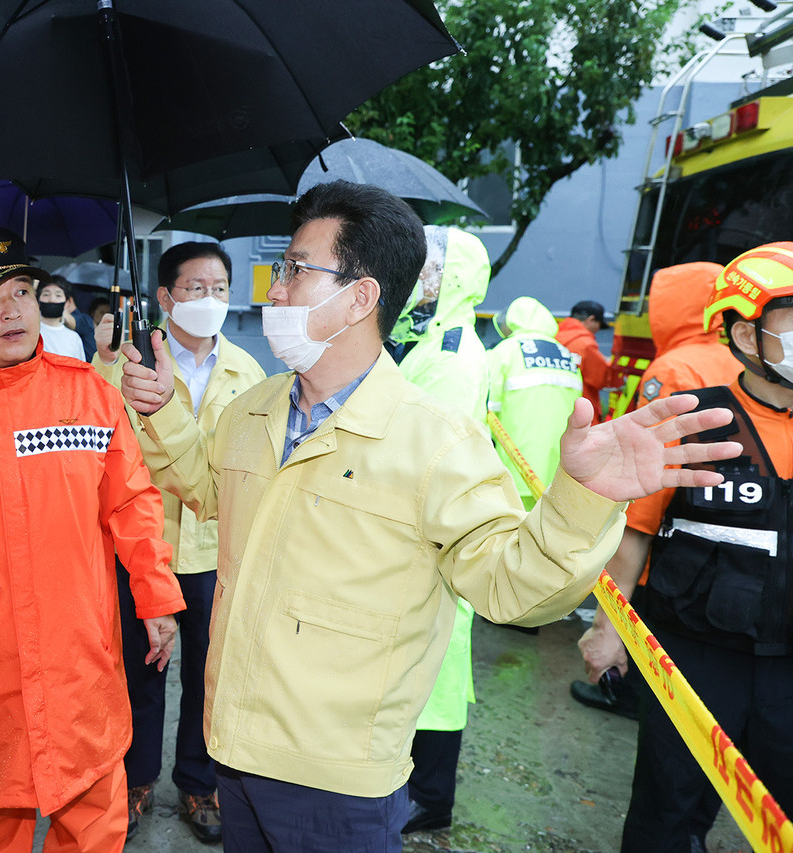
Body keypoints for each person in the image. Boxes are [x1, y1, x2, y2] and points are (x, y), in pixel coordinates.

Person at [118, 180, 740, 851]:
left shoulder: (436, 440)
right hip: (231, 748)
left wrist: (584, 498)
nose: (274, 287)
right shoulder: (254, 409)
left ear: (359, 297)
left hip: (337, 781)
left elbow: (512, 583)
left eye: (296, 269)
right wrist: (162, 414)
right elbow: (209, 492)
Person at [0, 223, 185, 853]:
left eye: (22, 289)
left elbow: (132, 502)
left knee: (93, 824)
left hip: (80, 661)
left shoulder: (86, 395)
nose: (14, 308)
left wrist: (156, 599)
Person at [574, 246, 792, 853]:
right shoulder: (697, 422)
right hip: (695, 661)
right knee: (667, 815)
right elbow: (637, 532)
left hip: (788, 670)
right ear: (746, 332)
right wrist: (606, 630)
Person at [94, 240, 266, 843]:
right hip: (145, 553)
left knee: (207, 675)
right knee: (141, 673)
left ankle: (199, 784)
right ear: (165, 297)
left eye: (220, 288)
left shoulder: (250, 373)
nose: (211, 300)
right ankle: (135, 779)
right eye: (196, 288)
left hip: (214, 549)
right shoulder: (118, 372)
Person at [573, 262, 741, 720]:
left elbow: (645, 503)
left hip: (674, 562)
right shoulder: (743, 362)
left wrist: (608, 623)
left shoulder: (676, 367)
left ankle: (624, 693)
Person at [386, 225, 489, 834]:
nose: (416, 277)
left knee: (440, 674)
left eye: (427, 268)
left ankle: (430, 799)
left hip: (435, 534)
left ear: (449, 280)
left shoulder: (449, 358)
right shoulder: (424, 339)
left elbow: (423, 447)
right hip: (429, 530)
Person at [488, 296, 583, 509]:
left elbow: (488, 408)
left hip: (515, 465)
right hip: (558, 471)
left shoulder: (505, 350)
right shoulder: (565, 354)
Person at [557, 300, 618, 424]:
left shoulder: (553, 336)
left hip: (557, 408)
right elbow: (601, 379)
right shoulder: (585, 344)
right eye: (599, 325)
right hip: (580, 413)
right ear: (591, 320)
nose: (597, 330)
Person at [37, 276, 86, 360]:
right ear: (38, 301)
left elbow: (79, 370)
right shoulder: (31, 332)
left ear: (67, 303)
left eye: (58, 295)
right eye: (46, 294)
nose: (52, 299)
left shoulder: (74, 338)